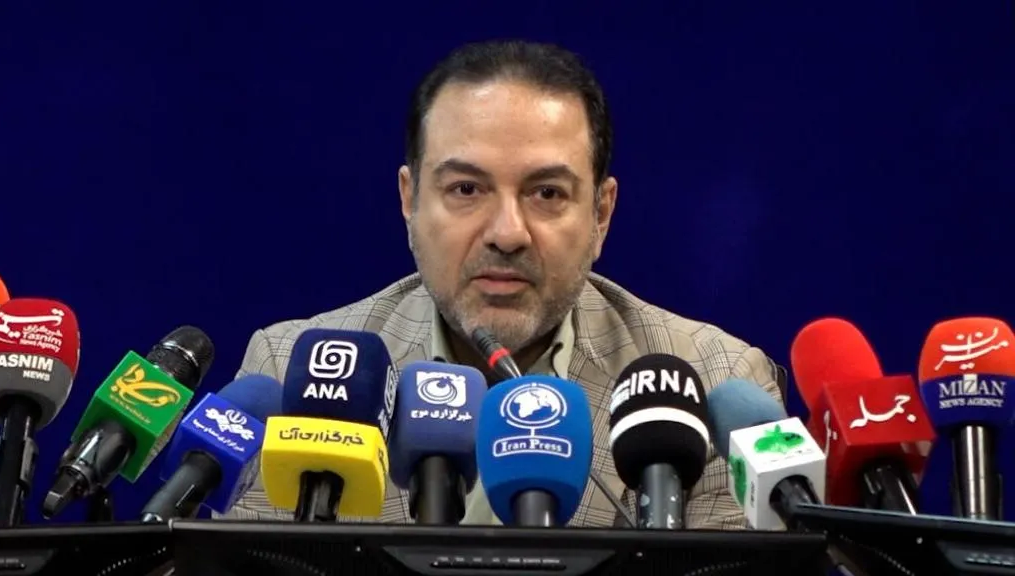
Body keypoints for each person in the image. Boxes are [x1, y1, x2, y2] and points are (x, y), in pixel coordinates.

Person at [220, 39, 782, 529]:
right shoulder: (292, 376)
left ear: (601, 214)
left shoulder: (713, 382)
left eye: (547, 193)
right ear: (410, 200)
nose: (507, 234)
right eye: (466, 189)